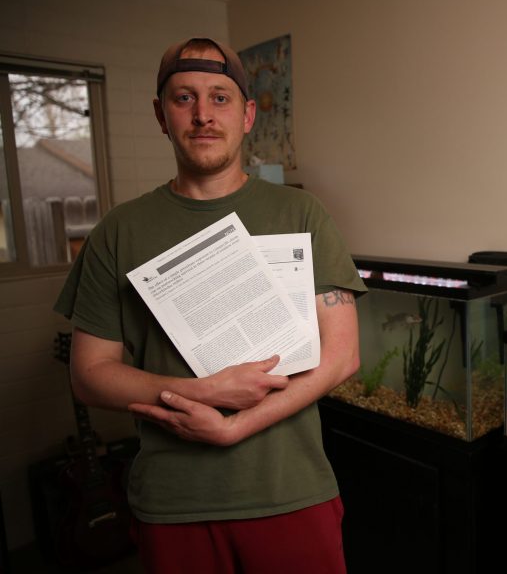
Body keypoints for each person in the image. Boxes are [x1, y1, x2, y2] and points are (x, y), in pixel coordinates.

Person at [54, 37, 366, 573]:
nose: (202, 115)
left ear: (247, 115)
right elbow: (89, 375)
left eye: (219, 98)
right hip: (174, 504)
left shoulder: (302, 211)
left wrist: (235, 426)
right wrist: (200, 392)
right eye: (184, 98)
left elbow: (342, 357)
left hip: (290, 490)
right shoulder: (118, 232)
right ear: (161, 115)